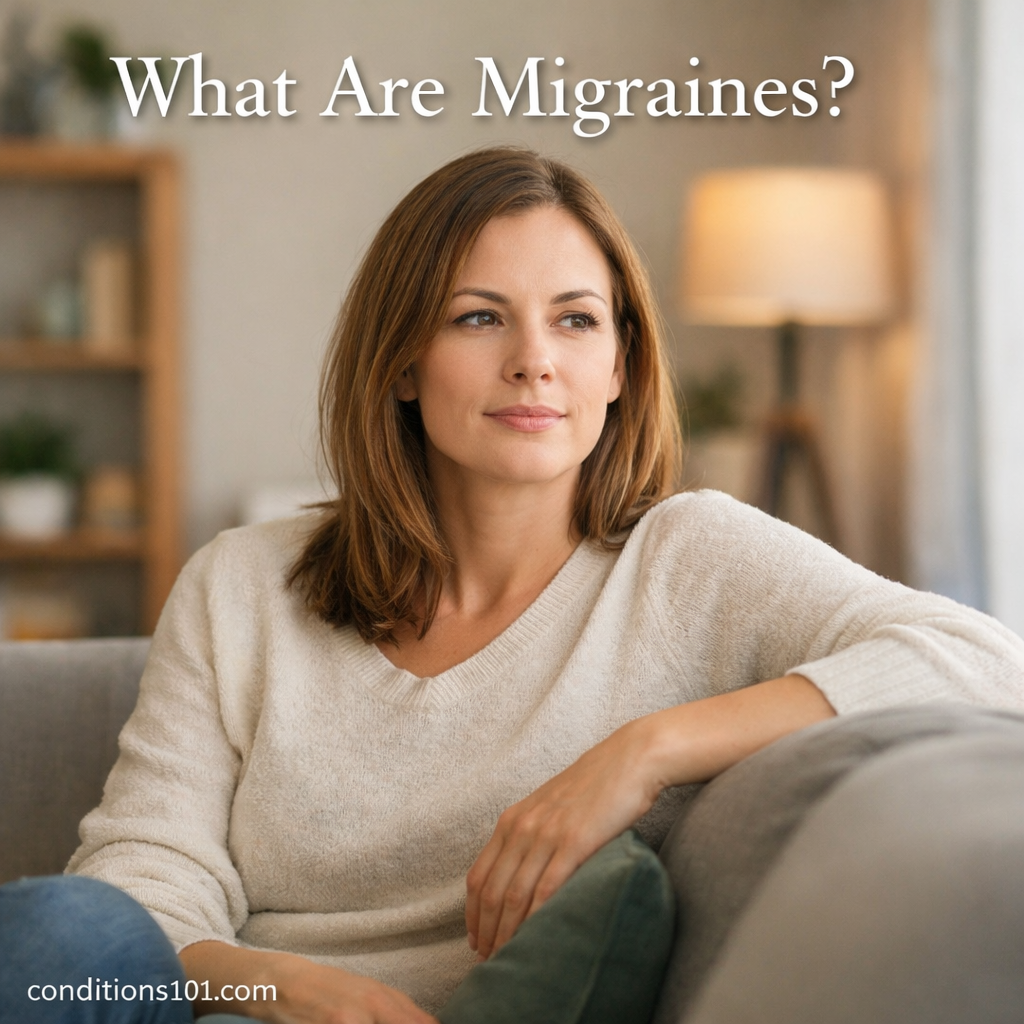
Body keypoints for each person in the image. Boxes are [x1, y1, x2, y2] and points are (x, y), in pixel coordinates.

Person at [10, 147, 1024, 1024]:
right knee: (56, 933)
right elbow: (137, 888)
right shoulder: (239, 583)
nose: (534, 362)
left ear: (621, 364)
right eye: (480, 317)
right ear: (403, 362)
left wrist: (643, 752)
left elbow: (986, 659)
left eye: (577, 320)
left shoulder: (689, 558)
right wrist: (266, 985)